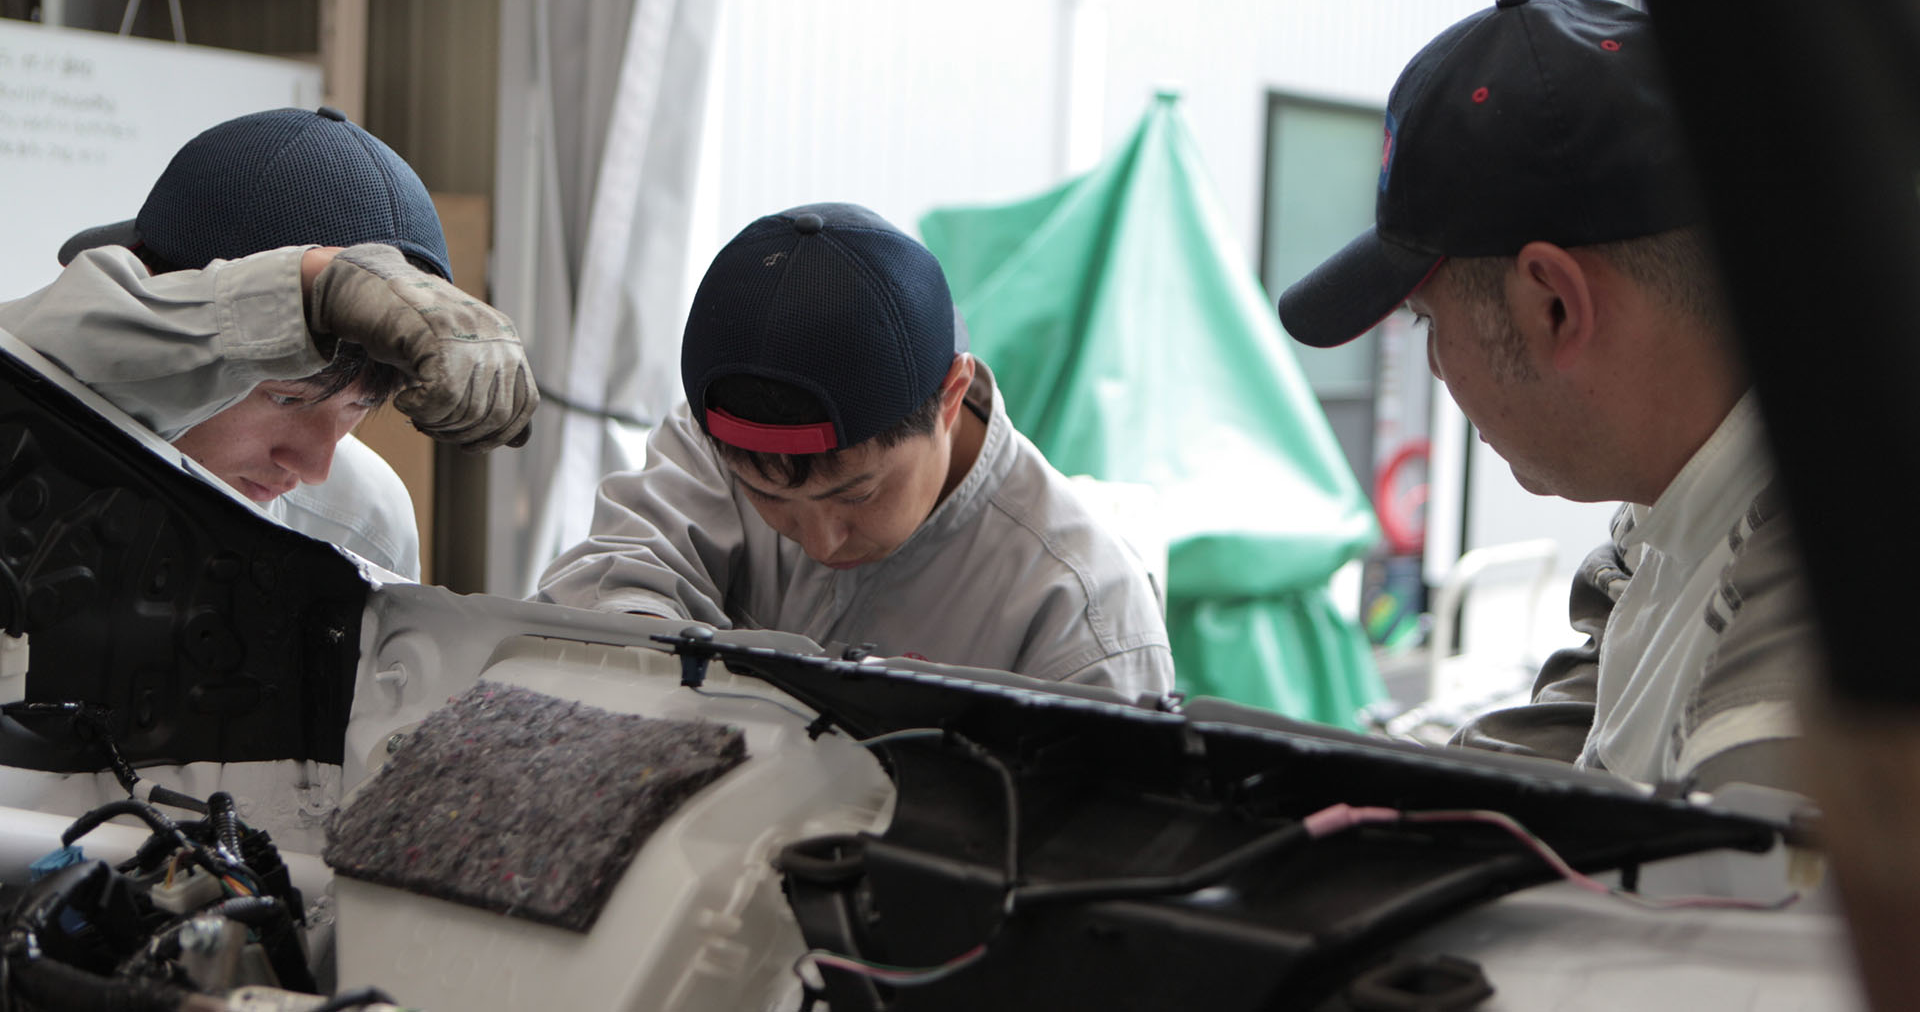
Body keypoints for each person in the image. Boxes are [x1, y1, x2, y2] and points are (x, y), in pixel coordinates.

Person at [1277, 0, 1808, 793]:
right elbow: (1592, 710)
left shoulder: (1795, 666)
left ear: (1554, 304)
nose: (1437, 369)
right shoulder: (1683, 492)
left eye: (1428, 321)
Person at [537, 202, 1174, 699]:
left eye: (857, 494)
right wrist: (636, 653)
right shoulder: (728, 443)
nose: (820, 543)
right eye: (766, 496)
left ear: (950, 398)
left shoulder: (1081, 613)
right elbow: (612, 582)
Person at [0, 106, 539, 579]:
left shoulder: (363, 523)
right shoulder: (39, 385)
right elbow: (44, 349)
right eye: (284, 397)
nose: (314, 467)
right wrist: (303, 288)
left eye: (360, 406)